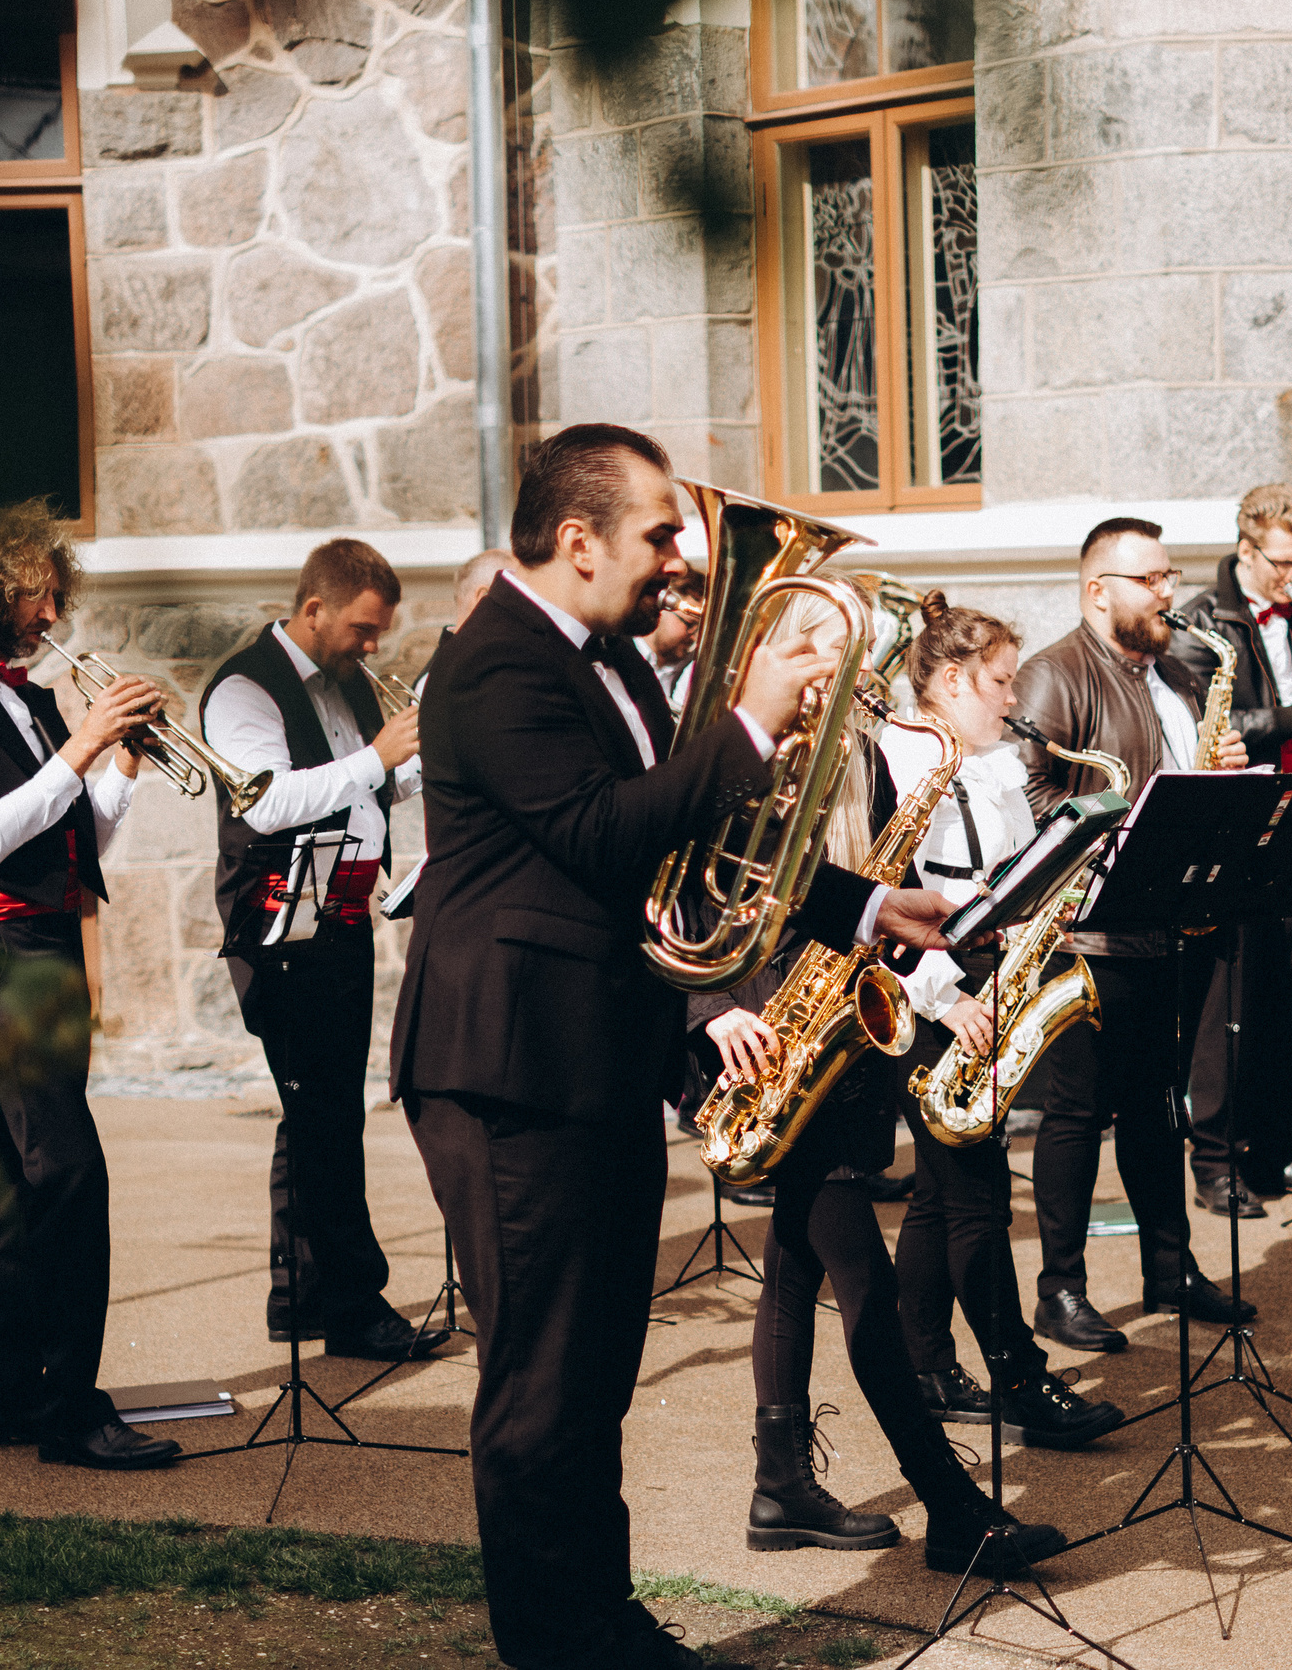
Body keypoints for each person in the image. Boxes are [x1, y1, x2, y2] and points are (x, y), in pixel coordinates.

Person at [391, 424, 957, 1670]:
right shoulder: (490, 666)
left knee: (591, 1381)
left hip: (594, 1059)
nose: (675, 560)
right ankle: (555, 1643)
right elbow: (602, 835)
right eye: (659, 535)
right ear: (578, 537)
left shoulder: (608, 666)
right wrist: (751, 714)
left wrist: (861, 907)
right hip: (508, 1073)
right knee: (540, 1387)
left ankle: (597, 1618)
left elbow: (695, 849)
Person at [691, 617, 1066, 1572]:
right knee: (867, 1281)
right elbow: (690, 891)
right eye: (818, 661)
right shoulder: (728, 754)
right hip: (767, 1031)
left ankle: (781, 1488)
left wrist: (925, 955)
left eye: (845, 665)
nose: (840, 682)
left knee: (793, 1264)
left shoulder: (868, 758)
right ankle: (953, 1509)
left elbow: (877, 892)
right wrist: (718, 1009)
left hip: (844, 1027)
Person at [0, 500, 181, 1471]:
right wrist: (84, 742)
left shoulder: (32, 699)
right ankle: (71, 1410)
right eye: (38, 592)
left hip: (48, 952)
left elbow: (73, 836)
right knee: (68, 1177)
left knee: (12, 1185)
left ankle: (5, 1397)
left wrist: (121, 765)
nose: (55, 610)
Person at [884, 593, 1126, 1444]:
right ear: (949, 680)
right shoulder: (901, 758)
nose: (1012, 699)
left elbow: (1012, 877)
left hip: (990, 981)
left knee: (937, 1197)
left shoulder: (990, 758)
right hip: (933, 993)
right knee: (977, 1196)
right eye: (997, 681)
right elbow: (892, 901)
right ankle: (1020, 1380)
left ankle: (925, 1366)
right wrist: (949, 997)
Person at [1013, 518, 1254, 1354]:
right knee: (1077, 1111)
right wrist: (1105, 841)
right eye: (1149, 578)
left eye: (1167, 574)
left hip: (1165, 924)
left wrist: (1215, 772)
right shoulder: (1054, 672)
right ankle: (1061, 1289)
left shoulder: (1172, 677)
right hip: (1088, 933)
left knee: (1159, 1107)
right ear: (1098, 590)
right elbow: (1027, 788)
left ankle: (1169, 1266)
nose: (1166, 591)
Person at [202, 538, 440, 1361]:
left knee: (317, 1108)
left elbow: (366, 782)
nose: (373, 647)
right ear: (315, 610)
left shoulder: (345, 687)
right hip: (281, 920)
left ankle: (299, 1296)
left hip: (339, 906)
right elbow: (265, 802)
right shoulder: (244, 686)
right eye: (363, 629)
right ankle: (352, 1306)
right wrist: (379, 756)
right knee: (327, 1113)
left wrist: (417, 761)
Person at [1164, 485, 1292, 1216]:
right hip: (1246, 819)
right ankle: (1214, 1159)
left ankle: (1275, 1146)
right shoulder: (1204, 620)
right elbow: (1201, 715)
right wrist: (1290, 716)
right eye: (1282, 562)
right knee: (1229, 1001)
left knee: (1290, 999)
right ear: (1246, 550)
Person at [643, 566, 704, 713]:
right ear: (664, 608)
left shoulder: (691, 669)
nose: (695, 638)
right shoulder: (617, 654)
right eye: (690, 624)